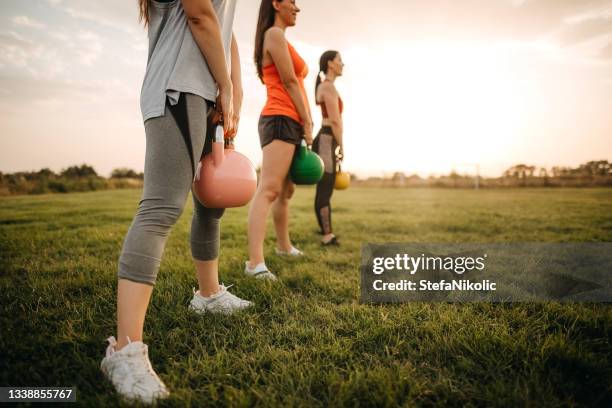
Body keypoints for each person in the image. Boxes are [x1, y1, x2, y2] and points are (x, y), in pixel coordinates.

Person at [100, 0, 249, 403]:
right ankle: (124, 351)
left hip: (206, 88)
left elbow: (223, 25)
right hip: (179, 86)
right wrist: (227, 86)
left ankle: (208, 295)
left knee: (210, 201)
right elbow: (200, 14)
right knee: (161, 207)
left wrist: (233, 87)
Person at [245, 0, 313, 280]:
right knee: (269, 189)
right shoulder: (273, 35)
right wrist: (307, 120)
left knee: (285, 191)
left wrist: (303, 120)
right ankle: (254, 264)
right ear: (276, 3)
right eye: (293, 2)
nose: (297, 8)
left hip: (290, 120)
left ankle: (284, 247)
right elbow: (289, 81)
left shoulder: (280, 38)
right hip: (280, 118)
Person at [313, 50, 344, 245]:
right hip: (326, 139)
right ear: (331, 64)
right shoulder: (328, 87)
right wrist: (342, 145)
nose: (343, 64)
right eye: (340, 60)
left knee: (325, 187)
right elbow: (335, 121)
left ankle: (326, 232)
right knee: (325, 188)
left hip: (326, 139)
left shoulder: (327, 87)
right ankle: (327, 235)